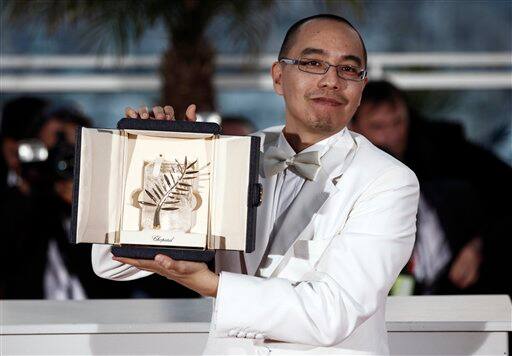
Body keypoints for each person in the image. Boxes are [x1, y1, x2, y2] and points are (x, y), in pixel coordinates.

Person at [92, 14, 419, 354]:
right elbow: (110, 264)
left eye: (348, 69)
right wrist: (153, 161)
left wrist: (212, 285)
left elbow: (331, 315)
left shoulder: (390, 181)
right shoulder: (231, 154)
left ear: (362, 87)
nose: (331, 80)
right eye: (313, 63)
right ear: (279, 77)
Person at [351, 80, 511, 295]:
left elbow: (506, 193)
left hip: (462, 293)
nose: (392, 135)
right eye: (378, 126)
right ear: (353, 128)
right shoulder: (339, 172)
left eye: (397, 122)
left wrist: (479, 247)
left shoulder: (448, 151)